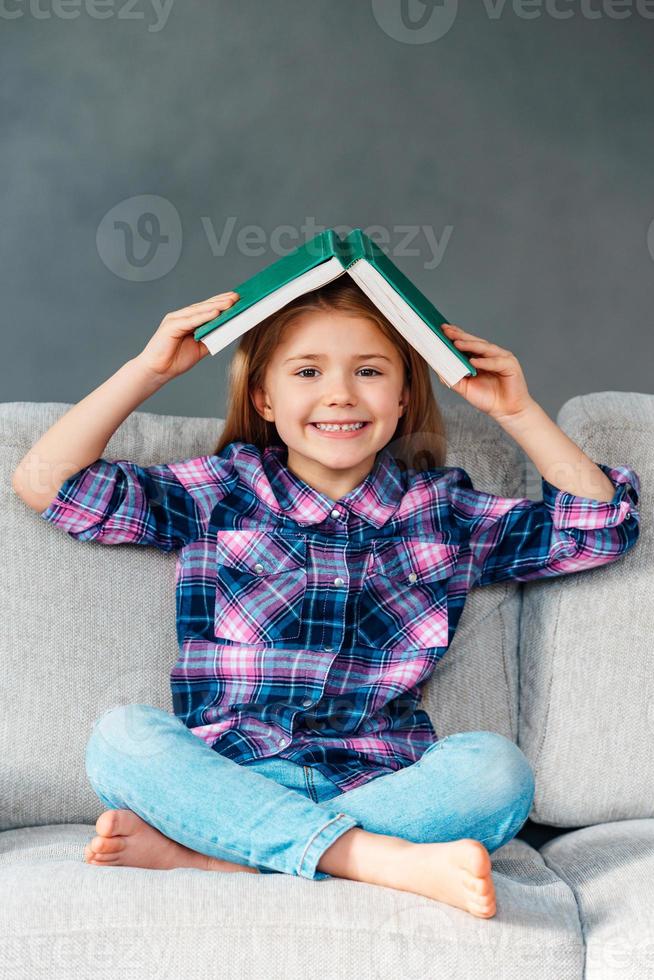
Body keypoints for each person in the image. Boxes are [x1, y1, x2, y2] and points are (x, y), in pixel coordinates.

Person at [12, 277, 640, 919]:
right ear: (263, 397)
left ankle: (224, 855)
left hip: (382, 781)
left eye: (368, 371)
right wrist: (148, 370)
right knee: (121, 738)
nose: (339, 393)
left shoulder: (442, 512)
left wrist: (516, 410)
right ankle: (372, 859)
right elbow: (46, 483)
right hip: (226, 772)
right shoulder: (222, 492)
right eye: (308, 371)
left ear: (402, 399)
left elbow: (597, 531)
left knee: (497, 772)